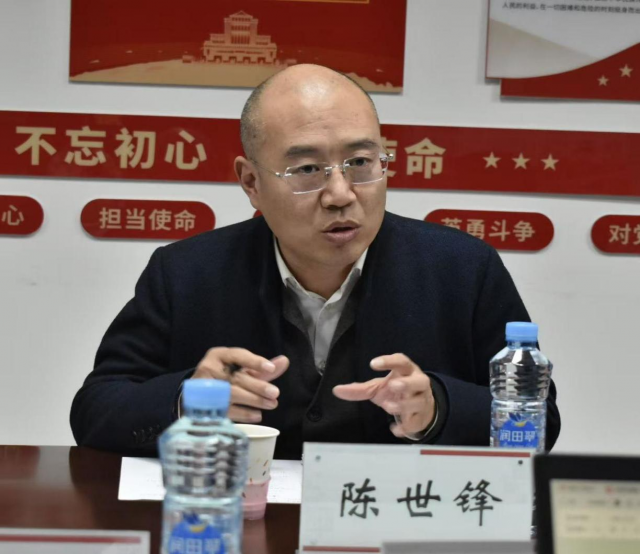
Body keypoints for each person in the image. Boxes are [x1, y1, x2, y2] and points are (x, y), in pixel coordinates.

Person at [70, 65, 560, 459]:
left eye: (360, 163)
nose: (340, 194)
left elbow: (540, 420)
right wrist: (187, 398)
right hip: (243, 521)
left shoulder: (463, 269)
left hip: (400, 524)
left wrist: (437, 407)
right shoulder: (187, 273)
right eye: (307, 169)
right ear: (251, 182)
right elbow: (96, 410)